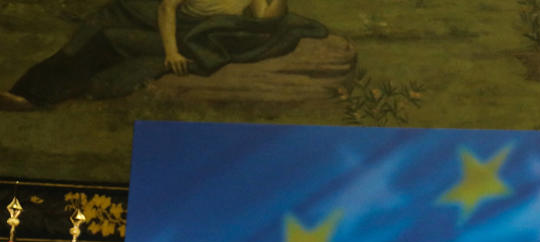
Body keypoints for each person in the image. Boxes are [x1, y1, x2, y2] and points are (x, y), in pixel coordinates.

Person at [0, 0, 326, 109]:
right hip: (177, 30)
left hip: (200, 38)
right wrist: (170, 51)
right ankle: (31, 89)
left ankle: (38, 97)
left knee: (107, 40)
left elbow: (266, 20)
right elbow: (167, 6)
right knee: (109, 18)